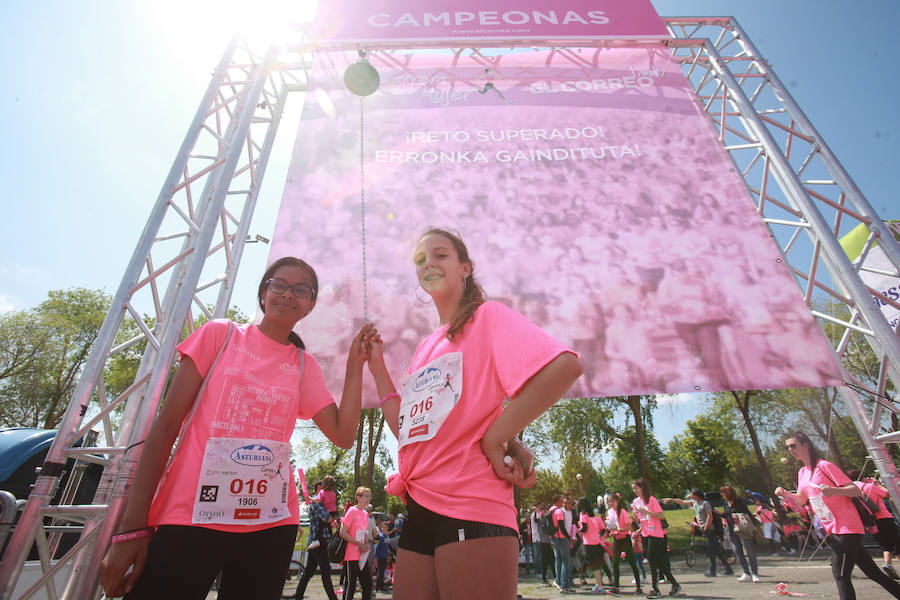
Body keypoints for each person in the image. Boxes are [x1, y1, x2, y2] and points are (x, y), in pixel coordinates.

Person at [99, 256, 375, 600]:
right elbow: (165, 426)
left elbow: (343, 435)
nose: (288, 295)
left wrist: (354, 366)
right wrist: (131, 528)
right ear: (263, 293)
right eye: (279, 285)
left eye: (300, 290)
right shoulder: (220, 335)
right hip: (189, 518)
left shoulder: (304, 365)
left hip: (271, 526)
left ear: (310, 305)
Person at [366, 228, 584, 599]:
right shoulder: (425, 347)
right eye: (421, 260)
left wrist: (496, 436)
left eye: (440, 255)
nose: (429, 263)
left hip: (472, 505)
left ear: (465, 267)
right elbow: (411, 431)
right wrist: (377, 368)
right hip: (419, 510)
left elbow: (564, 366)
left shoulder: (488, 316)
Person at [775, 431, 900, 600]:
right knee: (873, 572)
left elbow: (855, 490)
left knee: (840, 574)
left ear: (806, 445)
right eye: (788, 447)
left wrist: (833, 490)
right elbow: (803, 499)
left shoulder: (824, 466)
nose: (790, 450)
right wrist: (785, 494)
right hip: (832, 529)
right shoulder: (802, 473)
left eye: (793, 445)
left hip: (847, 527)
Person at [665, 489, 733, 577]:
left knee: (711, 550)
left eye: (693, 495)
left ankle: (712, 570)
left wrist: (706, 527)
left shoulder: (705, 504)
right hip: (704, 529)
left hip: (710, 529)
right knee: (717, 550)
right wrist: (671, 499)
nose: (691, 496)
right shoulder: (695, 503)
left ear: (697, 495)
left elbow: (710, 516)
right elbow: (682, 502)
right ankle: (728, 569)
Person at [848, 468, 900, 580]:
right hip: (884, 517)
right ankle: (888, 564)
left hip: (870, 522)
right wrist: (877, 484)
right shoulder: (869, 487)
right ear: (861, 477)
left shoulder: (851, 490)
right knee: (897, 542)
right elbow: (887, 494)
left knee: (885, 544)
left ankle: (888, 564)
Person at [632, 478, 680, 599]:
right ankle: (674, 584)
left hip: (656, 533)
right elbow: (638, 518)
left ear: (642, 488)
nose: (635, 491)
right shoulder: (636, 501)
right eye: (633, 489)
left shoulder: (651, 500)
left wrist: (646, 511)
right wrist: (636, 515)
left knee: (653, 560)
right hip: (645, 533)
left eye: (636, 488)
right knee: (657, 561)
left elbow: (661, 515)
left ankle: (655, 588)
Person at [292, 495, 339, 600]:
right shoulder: (315, 503)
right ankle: (333, 597)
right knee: (325, 570)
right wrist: (332, 517)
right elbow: (326, 517)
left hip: (321, 541)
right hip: (317, 541)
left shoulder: (325, 503)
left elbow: (335, 517)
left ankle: (298, 595)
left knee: (309, 570)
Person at [720, 485, 760, 583]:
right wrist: (721, 514)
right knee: (738, 551)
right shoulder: (725, 504)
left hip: (743, 530)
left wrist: (754, 525)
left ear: (727, 493)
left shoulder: (740, 501)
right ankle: (746, 573)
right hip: (732, 530)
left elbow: (747, 514)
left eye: (723, 493)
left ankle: (755, 573)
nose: (722, 495)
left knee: (750, 551)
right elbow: (728, 515)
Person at [339, 487, 374, 600]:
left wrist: (365, 543)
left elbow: (363, 533)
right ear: (358, 497)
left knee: (368, 584)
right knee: (351, 584)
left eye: (370, 496)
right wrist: (357, 543)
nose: (368, 499)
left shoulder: (365, 514)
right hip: (351, 554)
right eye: (366, 496)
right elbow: (342, 532)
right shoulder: (352, 511)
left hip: (362, 554)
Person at [605, 491, 642, 594]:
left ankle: (638, 586)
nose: (610, 503)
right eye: (609, 502)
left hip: (624, 538)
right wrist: (609, 528)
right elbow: (610, 523)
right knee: (615, 562)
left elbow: (628, 526)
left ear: (617, 501)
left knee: (631, 561)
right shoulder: (610, 512)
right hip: (616, 538)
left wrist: (622, 529)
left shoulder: (623, 512)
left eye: (612, 501)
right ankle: (616, 586)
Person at [577, 497, 612, 594]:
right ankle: (599, 583)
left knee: (593, 565)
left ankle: (600, 586)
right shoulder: (595, 517)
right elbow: (603, 529)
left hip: (588, 543)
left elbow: (584, 528)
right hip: (597, 542)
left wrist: (579, 529)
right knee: (596, 564)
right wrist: (598, 535)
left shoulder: (583, 515)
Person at [374, 521, 392, 592]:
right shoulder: (381, 537)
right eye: (383, 527)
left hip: (385, 556)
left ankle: (381, 585)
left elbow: (387, 547)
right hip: (380, 556)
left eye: (386, 528)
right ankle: (379, 586)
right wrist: (376, 556)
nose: (384, 529)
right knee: (380, 572)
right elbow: (377, 547)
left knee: (382, 572)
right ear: (381, 529)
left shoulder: (387, 536)